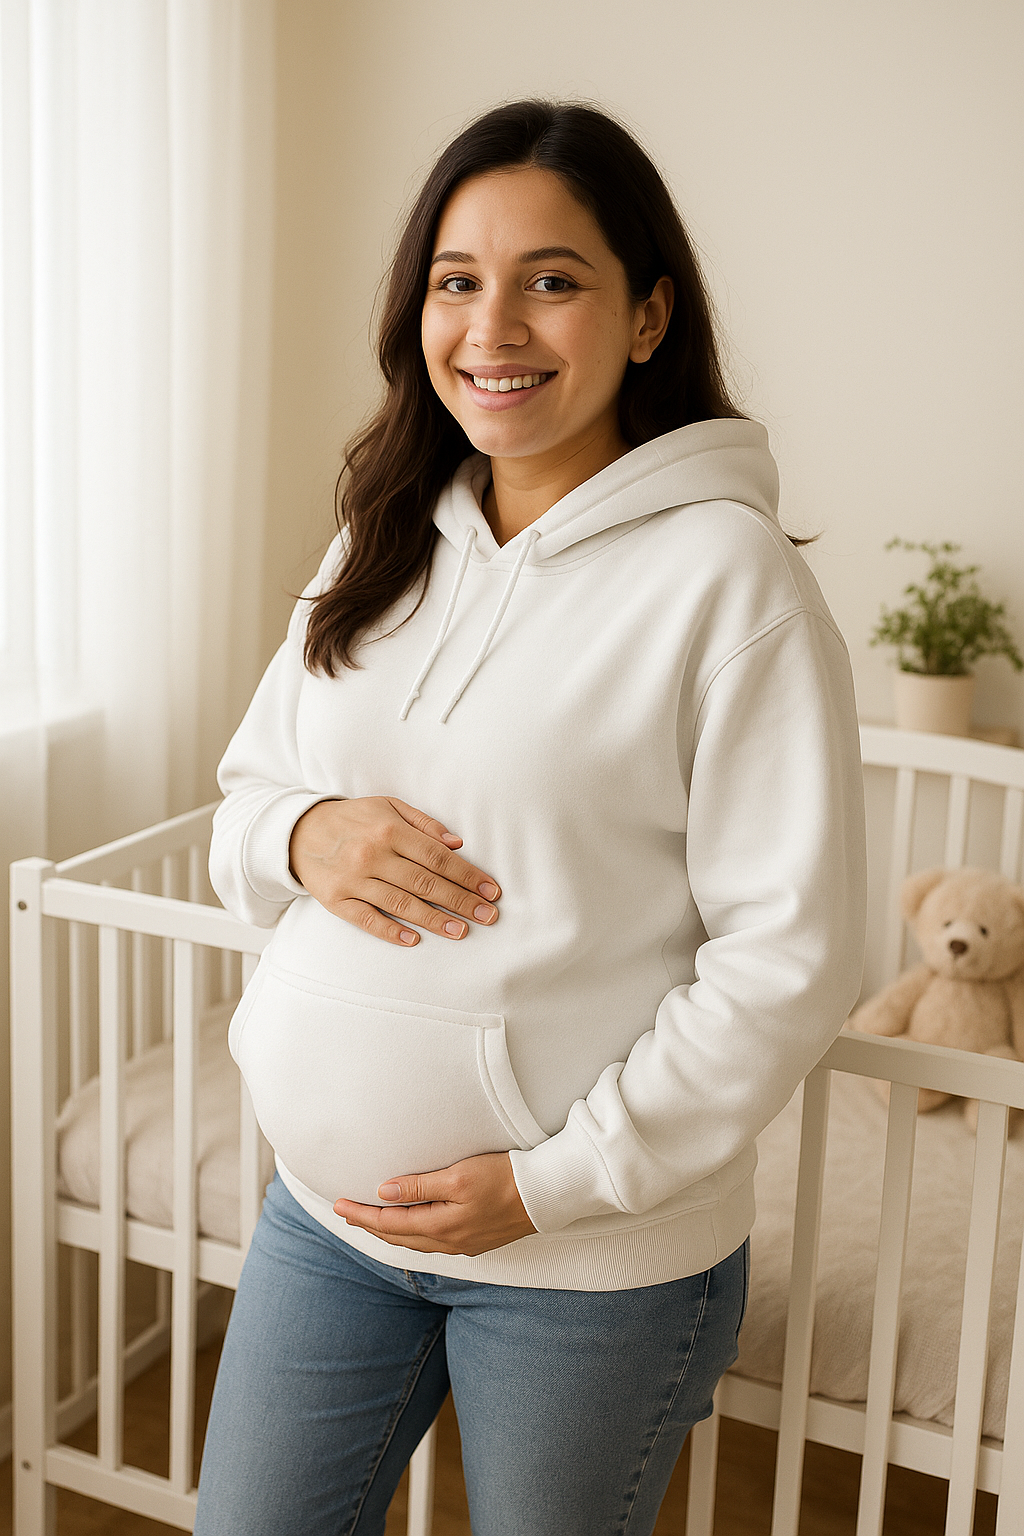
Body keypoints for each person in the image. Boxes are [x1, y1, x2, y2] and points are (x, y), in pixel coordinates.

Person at [195, 99, 866, 1536]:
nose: (494, 325)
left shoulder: (729, 585)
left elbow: (787, 961)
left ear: (646, 316)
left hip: (588, 1266)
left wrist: (557, 1184)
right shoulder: (379, 532)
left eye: (552, 279)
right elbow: (245, 804)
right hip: (325, 1219)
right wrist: (304, 835)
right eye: (458, 279)